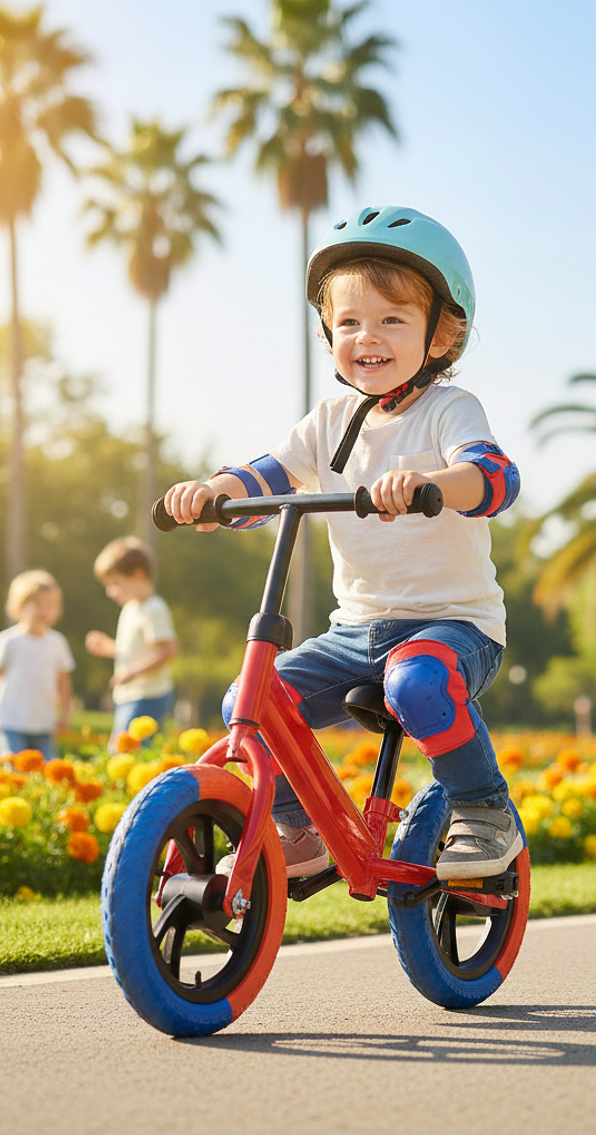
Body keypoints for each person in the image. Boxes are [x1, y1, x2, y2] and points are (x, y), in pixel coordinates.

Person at [164, 205, 521, 882]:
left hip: (455, 627)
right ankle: (299, 830)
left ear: (441, 333)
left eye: (393, 319)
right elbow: (266, 477)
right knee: (254, 695)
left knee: (417, 681)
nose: (368, 336)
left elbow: (496, 478)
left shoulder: (450, 410)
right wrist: (214, 495)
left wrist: (436, 483)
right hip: (356, 632)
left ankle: (483, 808)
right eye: (349, 322)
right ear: (329, 334)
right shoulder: (329, 421)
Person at [0, 569, 74, 762]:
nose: (44, 610)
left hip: (43, 724)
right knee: (14, 772)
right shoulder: (8, 640)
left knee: (47, 775)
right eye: (37, 604)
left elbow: (64, 682)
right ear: (19, 607)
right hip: (11, 722)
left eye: (50, 605)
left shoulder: (57, 643)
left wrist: (65, 714)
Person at [85, 537, 178, 744]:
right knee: (124, 749)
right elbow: (133, 650)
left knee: (125, 750)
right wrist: (109, 648)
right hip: (131, 695)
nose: (111, 592)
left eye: (115, 584)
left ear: (138, 575)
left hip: (148, 696)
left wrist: (132, 672)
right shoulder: (131, 608)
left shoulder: (153, 609)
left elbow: (167, 651)